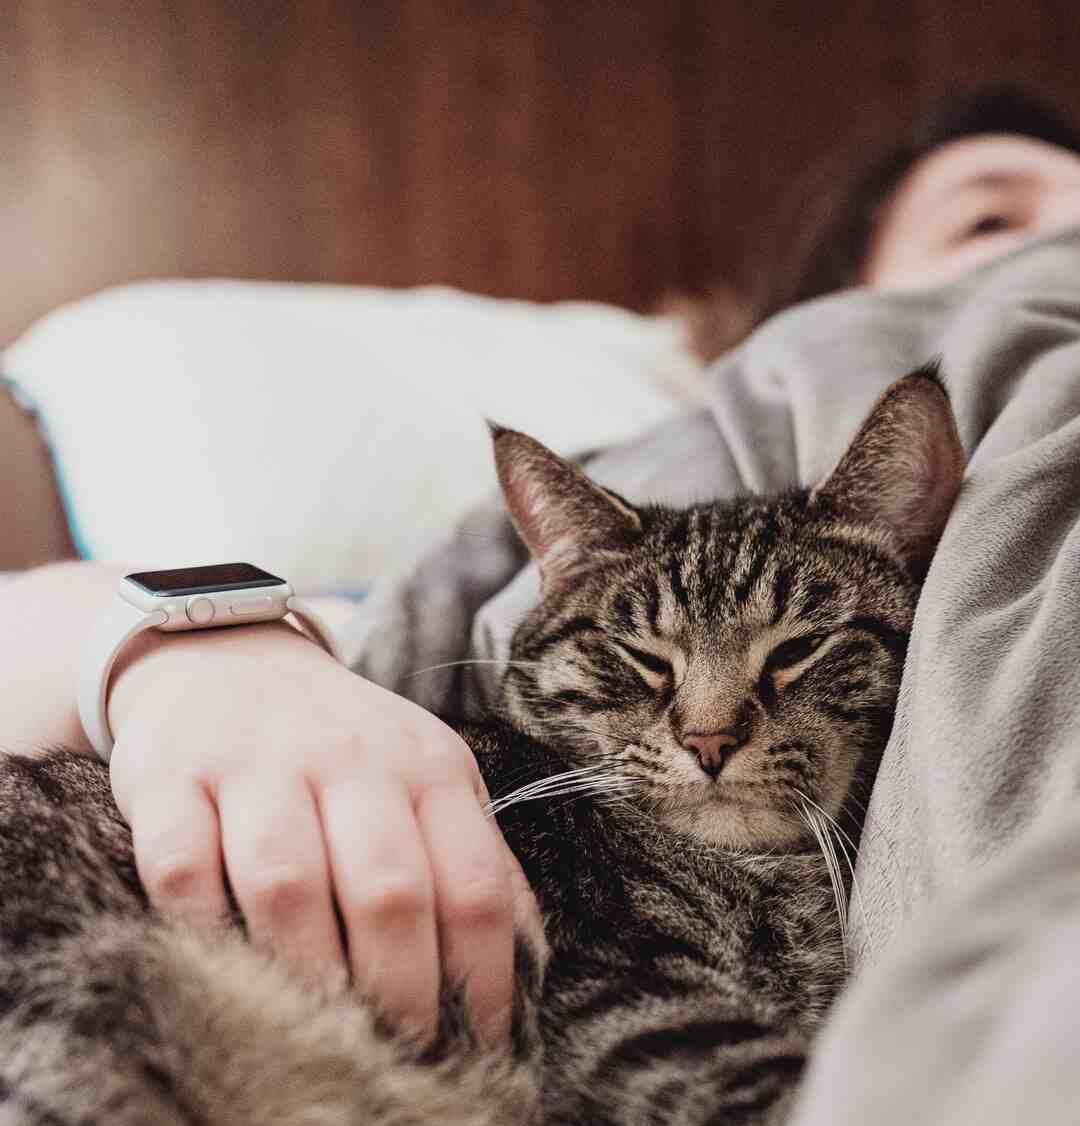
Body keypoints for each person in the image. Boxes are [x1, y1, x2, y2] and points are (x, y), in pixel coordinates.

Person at [1, 84, 1077, 1056]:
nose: (708, 734)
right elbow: (33, 622)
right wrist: (216, 665)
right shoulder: (649, 484)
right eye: (996, 221)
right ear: (832, 301)